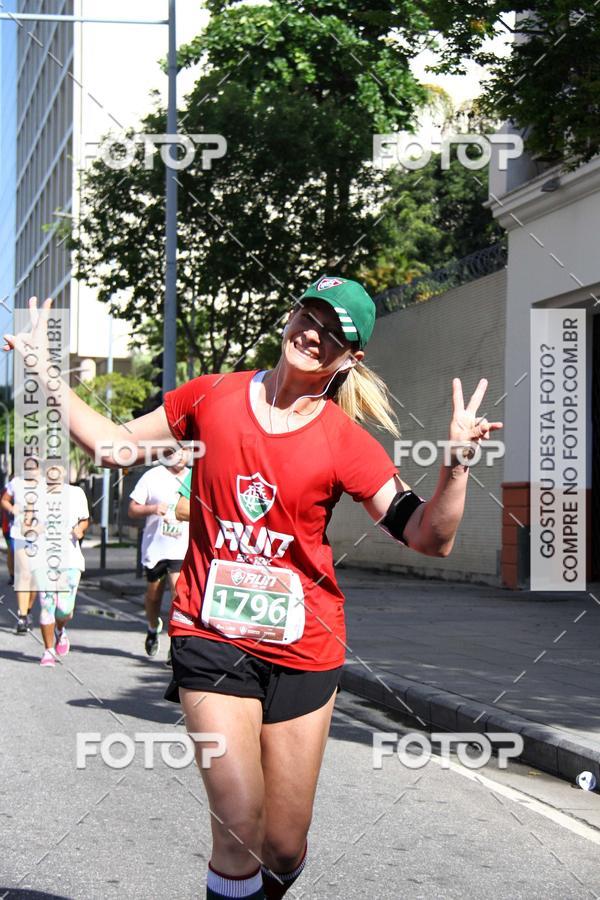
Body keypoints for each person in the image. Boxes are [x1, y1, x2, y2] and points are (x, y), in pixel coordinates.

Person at [4, 283, 502, 899]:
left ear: (350, 359)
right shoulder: (212, 394)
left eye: (333, 331)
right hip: (210, 635)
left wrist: (455, 467)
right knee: (239, 828)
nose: (313, 332)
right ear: (290, 315)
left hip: (304, 649)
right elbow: (114, 447)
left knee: (283, 844)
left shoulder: (344, 440)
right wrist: (42, 372)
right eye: (308, 314)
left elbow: (428, 537)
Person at [128, 449, 191, 656]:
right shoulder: (152, 476)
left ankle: (176, 646)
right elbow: (132, 509)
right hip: (156, 547)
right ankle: (153, 627)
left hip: (181, 548)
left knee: (178, 593)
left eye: (187, 450)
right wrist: (152, 509)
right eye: (177, 451)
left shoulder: (194, 477)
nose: (182, 455)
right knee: (153, 596)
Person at [32, 465, 90, 667]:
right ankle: (48, 651)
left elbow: (84, 519)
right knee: (47, 604)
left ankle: (60, 629)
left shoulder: (76, 493)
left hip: (70, 560)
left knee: (64, 609)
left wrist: (80, 530)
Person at [1, 462, 42, 634]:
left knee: (35, 577)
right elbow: (4, 500)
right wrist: (12, 509)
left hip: (41, 535)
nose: (31, 470)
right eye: (28, 466)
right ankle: (22, 616)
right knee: (24, 573)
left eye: (34, 466)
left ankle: (28, 609)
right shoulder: (16, 483)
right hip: (20, 532)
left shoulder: (47, 485)